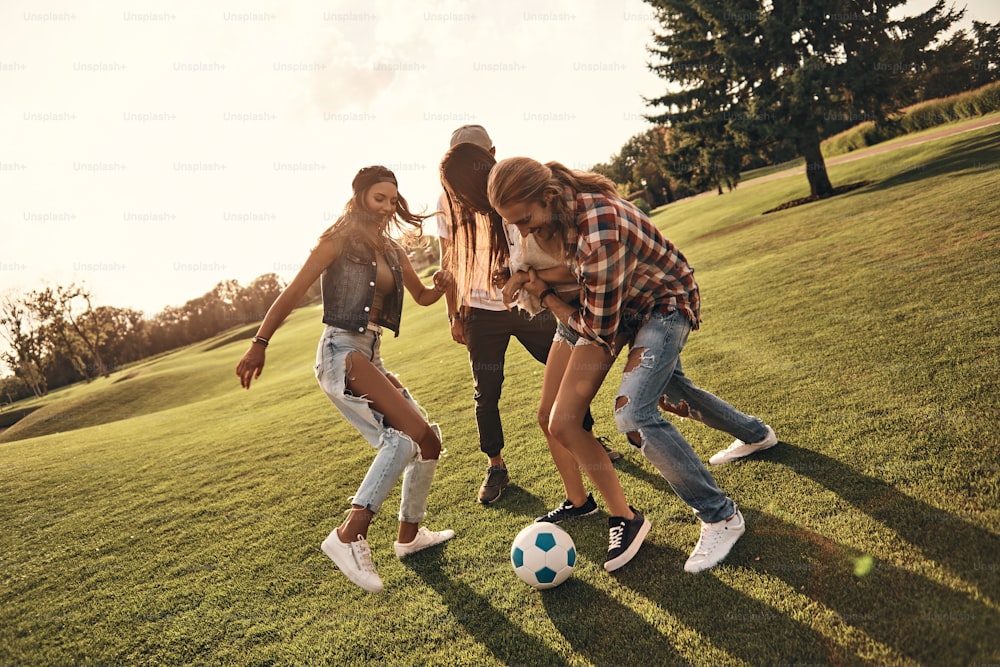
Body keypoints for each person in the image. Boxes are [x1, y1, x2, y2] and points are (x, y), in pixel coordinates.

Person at [487, 157, 778, 573]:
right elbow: (578, 281)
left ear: (548, 196)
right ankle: (756, 434)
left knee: (633, 413)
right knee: (672, 392)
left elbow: (595, 328)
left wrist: (545, 296)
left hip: (663, 307)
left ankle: (720, 515)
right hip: (627, 308)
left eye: (526, 219)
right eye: (514, 224)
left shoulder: (598, 229)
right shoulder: (563, 212)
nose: (524, 231)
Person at [235, 166, 455, 593]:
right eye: (379, 198)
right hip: (341, 353)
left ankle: (409, 538)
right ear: (359, 197)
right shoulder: (335, 242)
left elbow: (423, 296)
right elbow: (295, 290)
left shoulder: (392, 250)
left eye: (393, 200)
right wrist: (259, 342)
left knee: (428, 440)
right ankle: (348, 535)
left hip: (370, 353)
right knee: (403, 439)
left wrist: (441, 284)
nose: (388, 207)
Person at [436, 125, 619, 506]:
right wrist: (454, 312)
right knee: (487, 393)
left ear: (490, 154)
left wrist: (525, 279)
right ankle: (497, 466)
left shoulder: (513, 190)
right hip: (482, 311)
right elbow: (449, 258)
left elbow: (556, 256)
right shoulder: (448, 204)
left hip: (529, 303)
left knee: (569, 385)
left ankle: (584, 439)